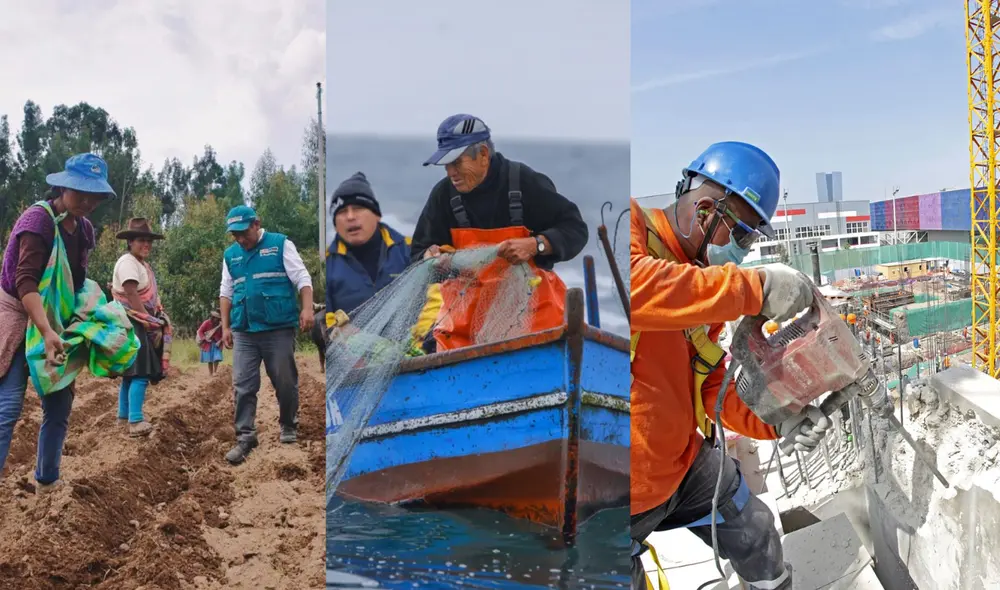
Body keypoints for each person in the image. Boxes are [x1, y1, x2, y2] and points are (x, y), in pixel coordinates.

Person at [629, 142, 831, 590]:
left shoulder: (700, 290)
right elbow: (633, 287)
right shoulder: (625, 227)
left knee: (755, 530)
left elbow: (711, 387)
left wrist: (779, 418)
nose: (743, 252)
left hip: (680, 468)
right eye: (742, 236)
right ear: (705, 211)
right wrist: (754, 288)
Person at [411, 114, 588, 351]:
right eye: (446, 165)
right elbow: (418, 253)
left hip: (534, 323)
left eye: (457, 162)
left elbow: (575, 228)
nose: (451, 172)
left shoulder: (524, 182)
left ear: (483, 154)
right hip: (464, 332)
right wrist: (429, 258)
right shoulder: (443, 195)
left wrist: (536, 244)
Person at [0, 153, 113, 488]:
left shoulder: (84, 229)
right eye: (82, 193)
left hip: (56, 321)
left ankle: (47, 481)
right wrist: (46, 330)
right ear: (63, 187)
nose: (88, 202)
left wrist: (96, 327)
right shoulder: (38, 221)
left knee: (59, 404)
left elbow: (74, 282)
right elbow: (25, 282)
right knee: (8, 407)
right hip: (20, 316)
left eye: (95, 196)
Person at [219, 205, 315, 465]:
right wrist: (226, 327)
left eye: (244, 232)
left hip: (277, 327)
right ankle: (246, 437)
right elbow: (226, 292)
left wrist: (307, 308)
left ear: (256, 224)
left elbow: (302, 278)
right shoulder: (231, 255)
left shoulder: (280, 244)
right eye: (235, 235)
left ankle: (288, 424)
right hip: (244, 329)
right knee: (243, 384)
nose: (240, 239)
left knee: (285, 380)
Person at [111, 218, 171, 437]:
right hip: (134, 321)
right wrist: (148, 321)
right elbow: (131, 293)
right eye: (141, 240)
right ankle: (135, 420)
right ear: (130, 242)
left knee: (131, 372)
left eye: (149, 241)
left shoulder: (141, 264)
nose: (146, 245)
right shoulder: (127, 263)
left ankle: (123, 417)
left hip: (137, 321)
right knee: (141, 372)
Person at [197, 311, 224, 376]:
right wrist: (204, 338)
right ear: (212, 317)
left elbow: (223, 334)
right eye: (215, 318)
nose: (216, 319)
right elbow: (200, 331)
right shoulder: (206, 323)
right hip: (208, 344)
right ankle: (210, 373)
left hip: (217, 343)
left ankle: (215, 372)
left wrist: (220, 341)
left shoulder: (221, 325)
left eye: (218, 318)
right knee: (209, 359)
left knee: (217, 357)